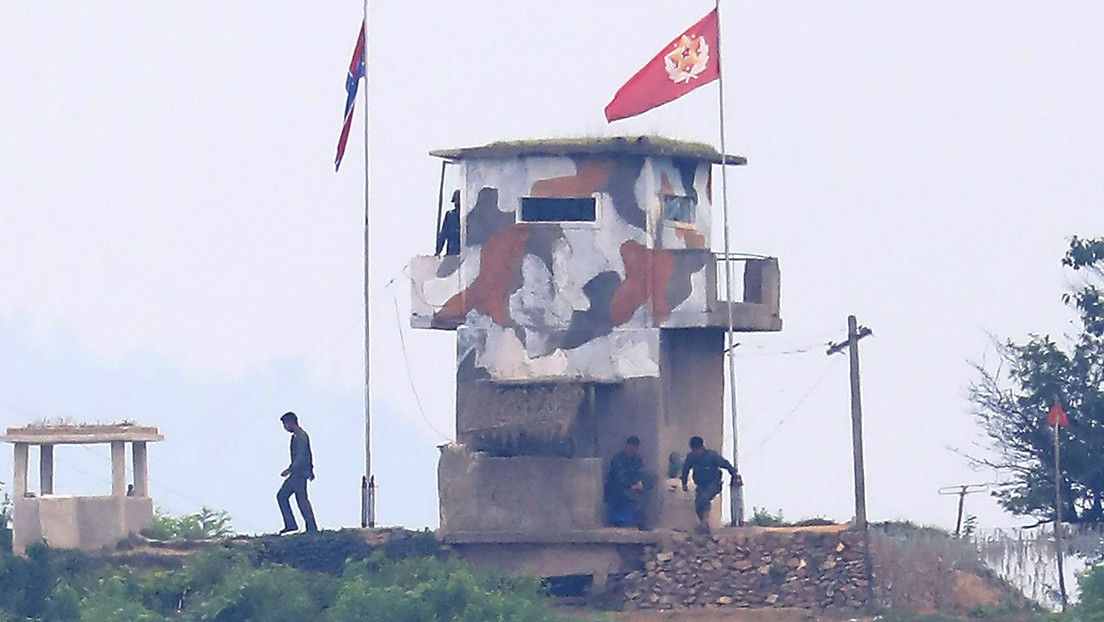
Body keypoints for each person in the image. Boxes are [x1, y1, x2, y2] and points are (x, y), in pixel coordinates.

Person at [680, 436, 736, 532]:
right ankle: (704, 525)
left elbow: (725, 464)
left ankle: (705, 522)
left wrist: (734, 474)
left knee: (704, 498)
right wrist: (684, 483)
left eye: (698, 450)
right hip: (701, 485)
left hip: (714, 484)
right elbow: (685, 470)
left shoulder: (711, 455)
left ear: (702, 447)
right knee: (698, 506)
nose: (696, 452)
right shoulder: (691, 457)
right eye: (694, 450)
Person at [277, 411, 318, 534]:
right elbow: (308, 454)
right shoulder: (297, 436)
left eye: (285, 424)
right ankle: (295, 524)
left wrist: (290, 469)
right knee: (290, 497)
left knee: (298, 499)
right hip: (299, 472)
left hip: (298, 474)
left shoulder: (300, 436)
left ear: (291, 423)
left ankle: (309, 527)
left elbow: (301, 456)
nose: (285, 427)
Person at [604, 436, 646, 528]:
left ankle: (637, 522)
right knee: (623, 495)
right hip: (616, 487)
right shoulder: (618, 459)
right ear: (627, 447)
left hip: (632, 487)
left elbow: (639, 473)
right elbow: (619, 477)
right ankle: (618, 522)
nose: (633, 450)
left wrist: (639, 482)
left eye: (635, 448)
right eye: (631, 447)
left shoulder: (637, 460)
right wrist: (631, 486)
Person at [435, 190, 461, 256]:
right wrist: (438, 250)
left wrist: (438, 251)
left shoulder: (451, 216)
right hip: (453, 252)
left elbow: (443, 235)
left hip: (456, 252)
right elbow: (443, 234)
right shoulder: (450, 215)